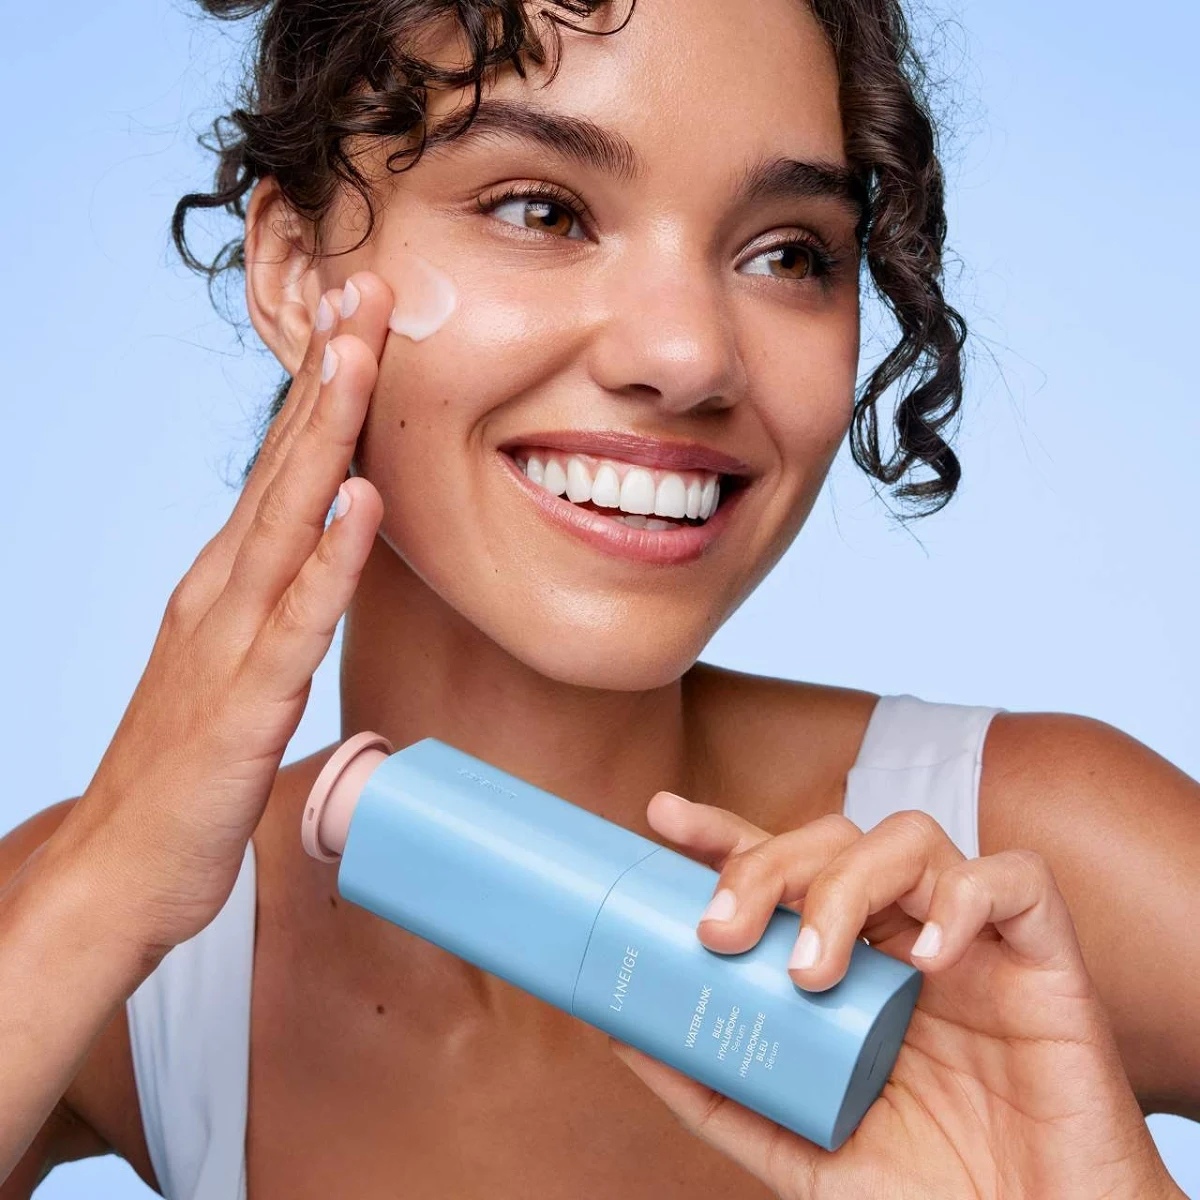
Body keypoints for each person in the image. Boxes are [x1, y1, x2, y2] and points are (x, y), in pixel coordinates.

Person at [1, 0, 1196, 1196]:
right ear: (298, 275)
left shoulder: (1033, 884)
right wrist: (93, 900)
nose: (689, 357)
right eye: (542, 211)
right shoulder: (120, 946)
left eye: (788, 252)